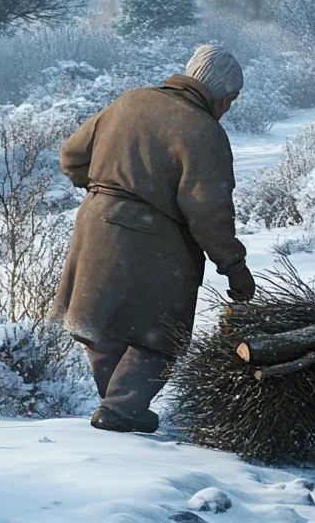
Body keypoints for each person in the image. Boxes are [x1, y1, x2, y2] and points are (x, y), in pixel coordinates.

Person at [51, 43, 256, 434]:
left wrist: (104, 192)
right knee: (159, 332)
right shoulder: (203, 132)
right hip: (154, 238)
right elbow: (209, 211)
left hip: (94, 224)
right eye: (231, 100)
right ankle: (123, 409)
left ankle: (115, 403)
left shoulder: (129, 102)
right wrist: (234, 266)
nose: (228, 109)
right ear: (222, 95)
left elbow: (71, 156)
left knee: (101, 322)